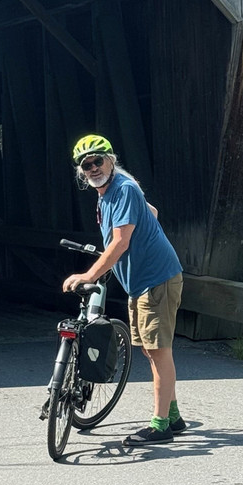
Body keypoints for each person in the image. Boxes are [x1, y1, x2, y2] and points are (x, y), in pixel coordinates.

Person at [62, 134, 185, 446]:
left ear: (110, 160)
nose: (92, 167)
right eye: (85, 164)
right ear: (81, 170)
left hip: (156, 278)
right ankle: (173, 415)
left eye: (97, 160)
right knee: (149, 349)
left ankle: (160, 426)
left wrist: (89, 273)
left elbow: (120, 241)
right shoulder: (112, 191)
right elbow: (152, 212)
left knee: (158, 351)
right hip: (140, 281)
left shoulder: (124, 188)